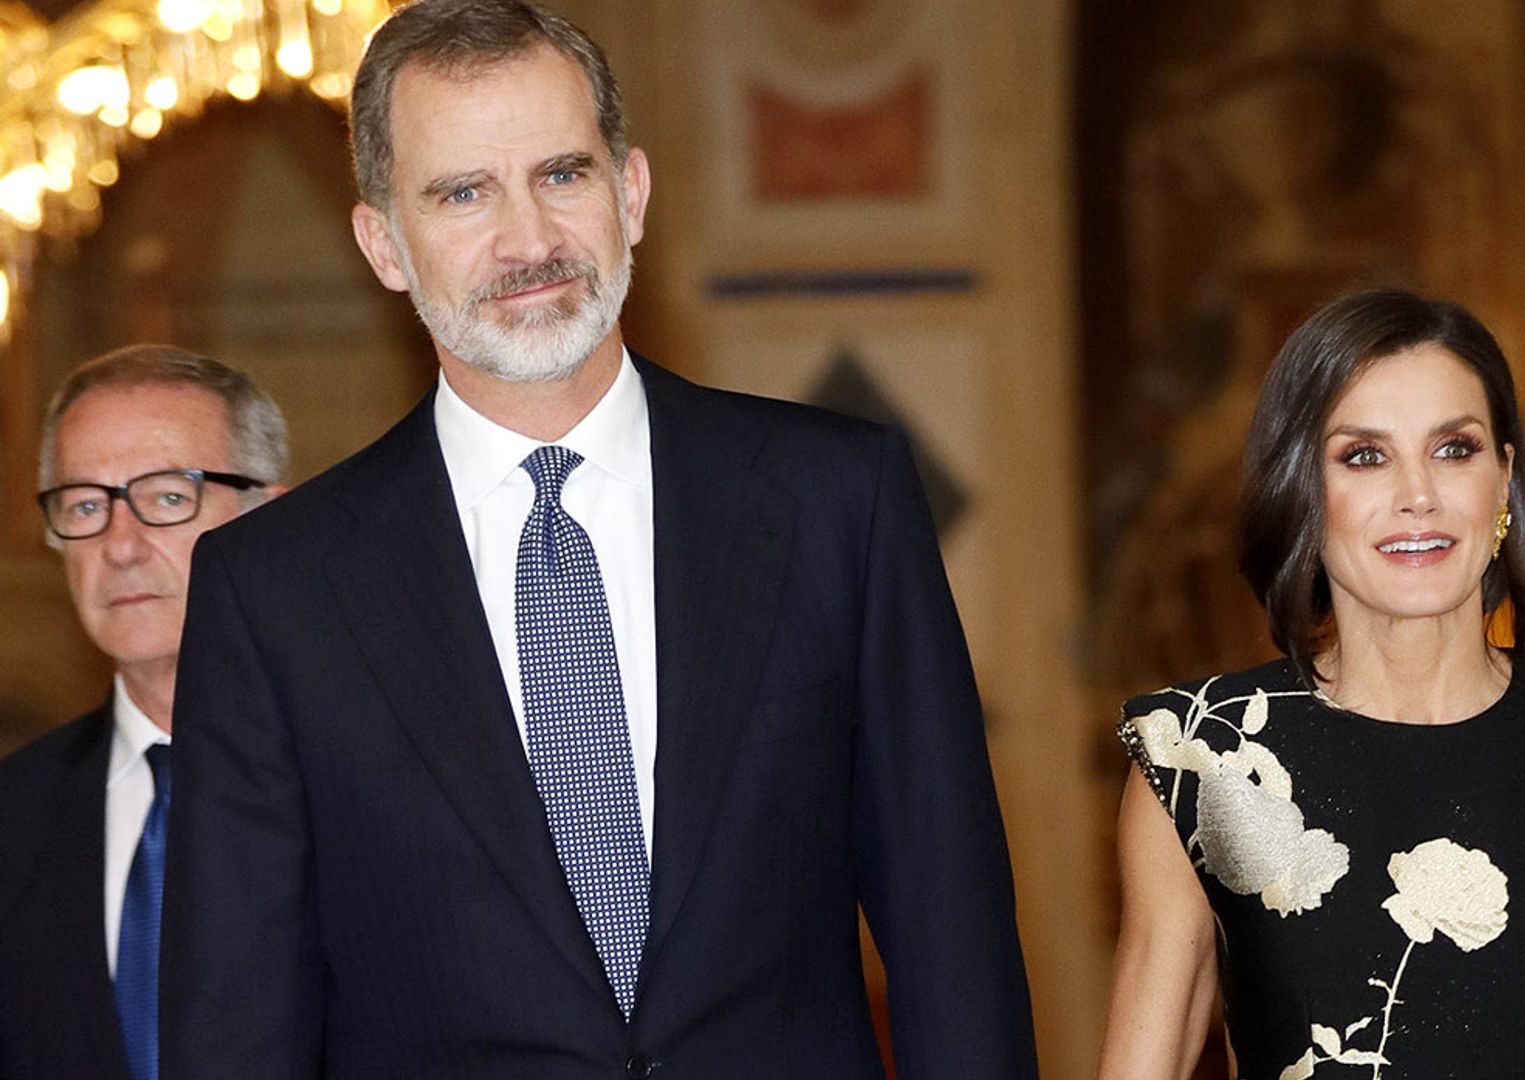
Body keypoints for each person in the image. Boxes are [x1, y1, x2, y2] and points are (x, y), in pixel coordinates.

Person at [158, 2, 1037, 1077]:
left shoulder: (834, 502)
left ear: (631, 192)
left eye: (562, 175)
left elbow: (953, 937)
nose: (529, 241)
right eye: (464, 193)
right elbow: (238, 1029)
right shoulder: (273, 591)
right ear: (383, 243)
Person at [1098, 289, 1525, 1080]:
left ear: (1503, 482)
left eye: (1455, 449)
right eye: (1364, 456)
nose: (1418, 493)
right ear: (1304, 494)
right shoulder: (1201, 754)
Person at [0, 346, 287, 1080]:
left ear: (272, 521)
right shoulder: (14, 815)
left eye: (167, 497)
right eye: (86, 505)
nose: (120, 547)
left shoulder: (377, 782)